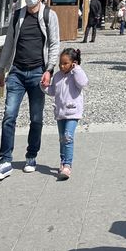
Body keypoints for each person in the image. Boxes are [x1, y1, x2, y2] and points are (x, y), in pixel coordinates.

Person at [0, 0, 60, 182]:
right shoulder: (17, 16)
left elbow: (55, 43)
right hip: (17, 72)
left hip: (39, 72)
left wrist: (49, 69)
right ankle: (5, 160)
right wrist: (1, 69)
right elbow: (9, 43)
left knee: (36, 118)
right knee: (9, 115)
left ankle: (31, 155)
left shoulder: (49, 15)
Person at [41, 47, 88, 180]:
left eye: (65, 63)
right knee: (62, 138)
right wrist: (44, 86)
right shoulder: (57, 76)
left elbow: (83, 83)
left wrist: (76, 69)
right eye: (60, 63)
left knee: (68, 137)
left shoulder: (76, 74)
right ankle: (63, 161)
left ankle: (68, 164)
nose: (62, 66)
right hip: (60, 112)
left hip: (73, 112)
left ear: (73, 62)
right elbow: (52, 92)